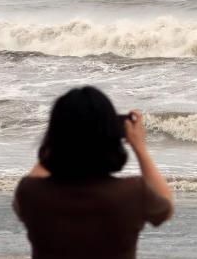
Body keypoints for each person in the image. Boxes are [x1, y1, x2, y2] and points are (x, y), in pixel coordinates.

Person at [14, 87, 174, 259]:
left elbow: (25, 195)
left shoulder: (31, 192)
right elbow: (167, 207)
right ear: (111, 134)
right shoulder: (132, 192)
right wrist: (140, 147)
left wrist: (59, 141)